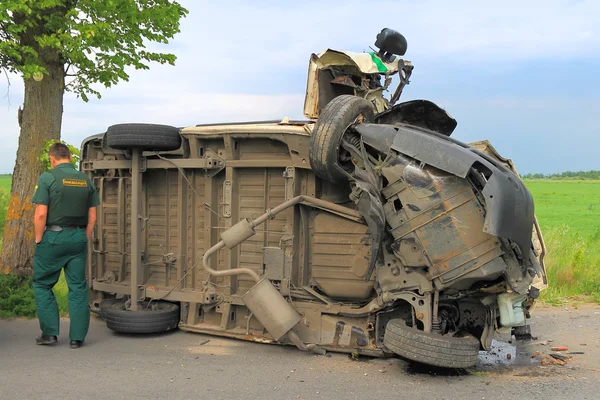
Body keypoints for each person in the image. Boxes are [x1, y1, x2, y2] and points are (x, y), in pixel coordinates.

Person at [31, 142, 100, 349]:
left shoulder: (48, 177)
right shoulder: (85, 180)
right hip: (78, 237)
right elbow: (93, 217)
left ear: (52, 159)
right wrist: (83, 236)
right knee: (78, 287)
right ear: (70, 158)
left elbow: (41, 213)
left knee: (42, 284)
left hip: (53, 237)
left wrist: (38, 238)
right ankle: (77, 338)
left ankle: (50, 334)